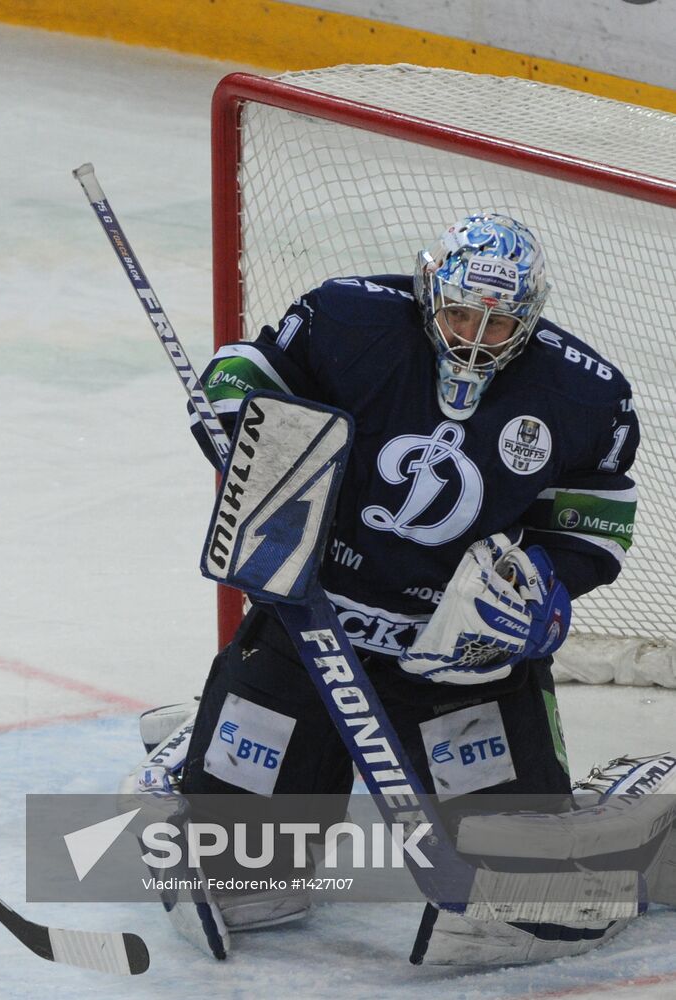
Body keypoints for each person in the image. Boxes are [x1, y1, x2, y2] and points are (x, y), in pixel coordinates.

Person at [135, 214, 659, 963]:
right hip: (309, 628)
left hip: (457, 663)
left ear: (530, 314)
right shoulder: (346, 320)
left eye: (499, 319)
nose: (475, 336)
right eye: (457, 313)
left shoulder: (582, 394)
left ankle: (633, 795)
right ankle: (196, 747)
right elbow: (244, 371)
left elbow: (591, 526)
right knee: (238, 871)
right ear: (426, 291)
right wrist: (230, 411)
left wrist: (541, 588)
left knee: (516, 876)